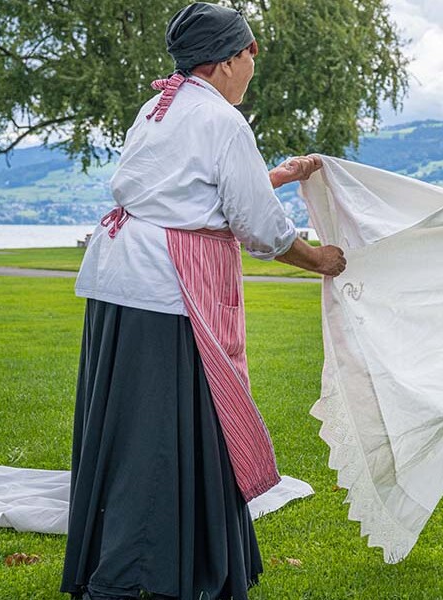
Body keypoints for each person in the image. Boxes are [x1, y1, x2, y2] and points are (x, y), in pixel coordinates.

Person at [62, 3, 345, 599]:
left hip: (122, 282)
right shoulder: (220, 120)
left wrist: (274, 177)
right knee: (163, 435)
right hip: (168, 291)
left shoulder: (159, 108)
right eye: (247, 55)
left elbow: (181, 190)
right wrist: (319, 259)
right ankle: (147, 573)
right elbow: (256, 227)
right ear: (221, 63)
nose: (252, 66)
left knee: (135, 428)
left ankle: (159, 560)